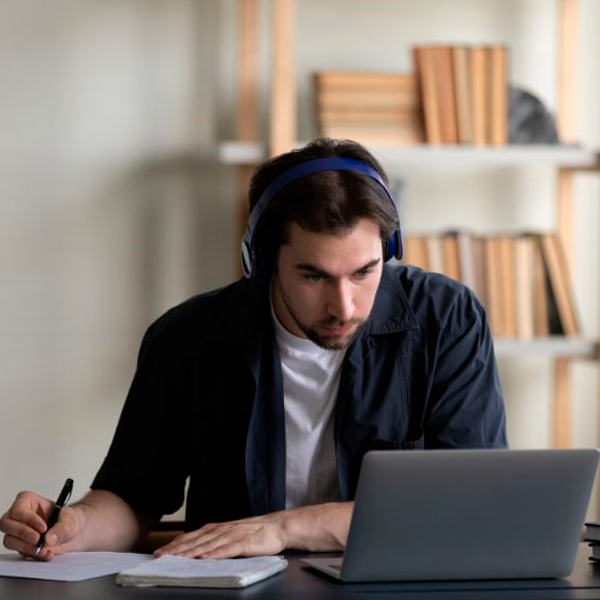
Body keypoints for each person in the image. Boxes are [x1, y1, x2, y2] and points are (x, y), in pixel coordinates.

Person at [0, 138, 507, 562]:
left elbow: (469, 502)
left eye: (365, 271)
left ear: (389, 252)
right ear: (261, 261)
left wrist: (282, 529)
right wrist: (74, 525)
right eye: (314, 276)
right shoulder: (186, 338)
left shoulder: (447, 319)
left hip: (398, 583)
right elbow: (134, 499)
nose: (344, 306)